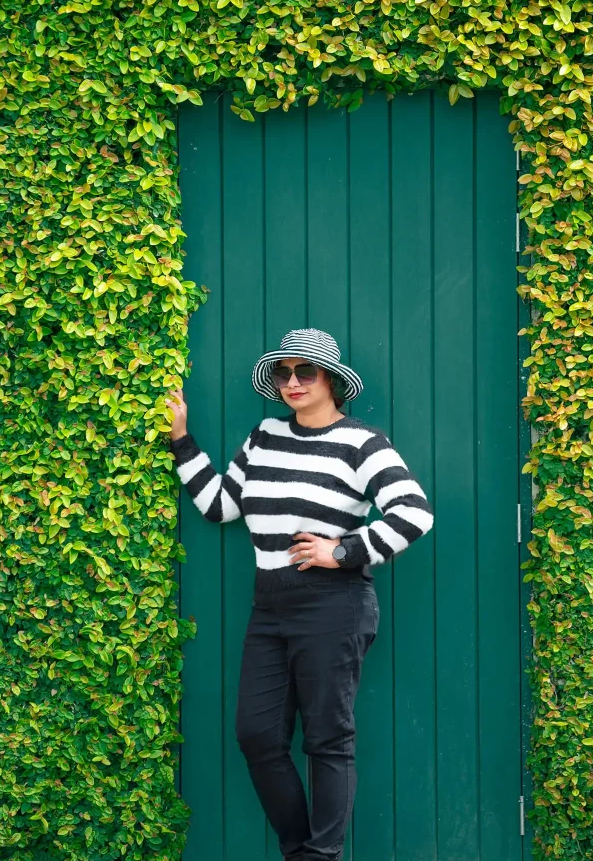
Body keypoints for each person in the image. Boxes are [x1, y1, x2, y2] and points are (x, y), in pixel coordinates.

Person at [165, 327, 434, 861]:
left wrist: (343, 551)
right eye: (283, 373)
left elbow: (414, 513)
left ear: (331, 381)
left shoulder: (362, 443)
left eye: (304, 372)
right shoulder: (264, 435)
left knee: (326, 741)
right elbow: (221, 505)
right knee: (257, 737)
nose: (292, 383)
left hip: (334, 604)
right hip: (269, 604)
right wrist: (181, 439)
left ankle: (320, 856)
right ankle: (299, 851)